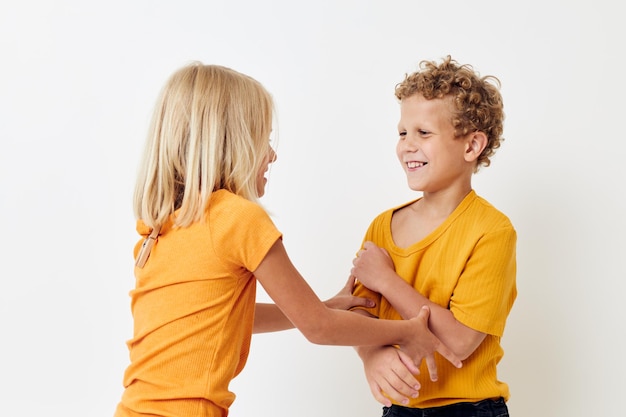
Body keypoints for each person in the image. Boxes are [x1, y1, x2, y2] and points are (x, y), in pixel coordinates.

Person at [113, 62, 462, 417]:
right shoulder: (237, 218)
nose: (272, 155)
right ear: (234, 143)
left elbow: (226, 318)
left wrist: (320, 306)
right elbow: (319, 328)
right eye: (263, 139)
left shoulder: (162, 225)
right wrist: (407, 331)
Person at [349, 56, 517, 417]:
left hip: (470, 410)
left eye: (423, 133)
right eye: (402, 133)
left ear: (471, 146)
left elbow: (458, 341)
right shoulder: (382, 226)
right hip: (399, 409)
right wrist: (371, 356)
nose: (407, 145)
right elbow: (357, 316)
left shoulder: (492, 231)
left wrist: (386, 280)